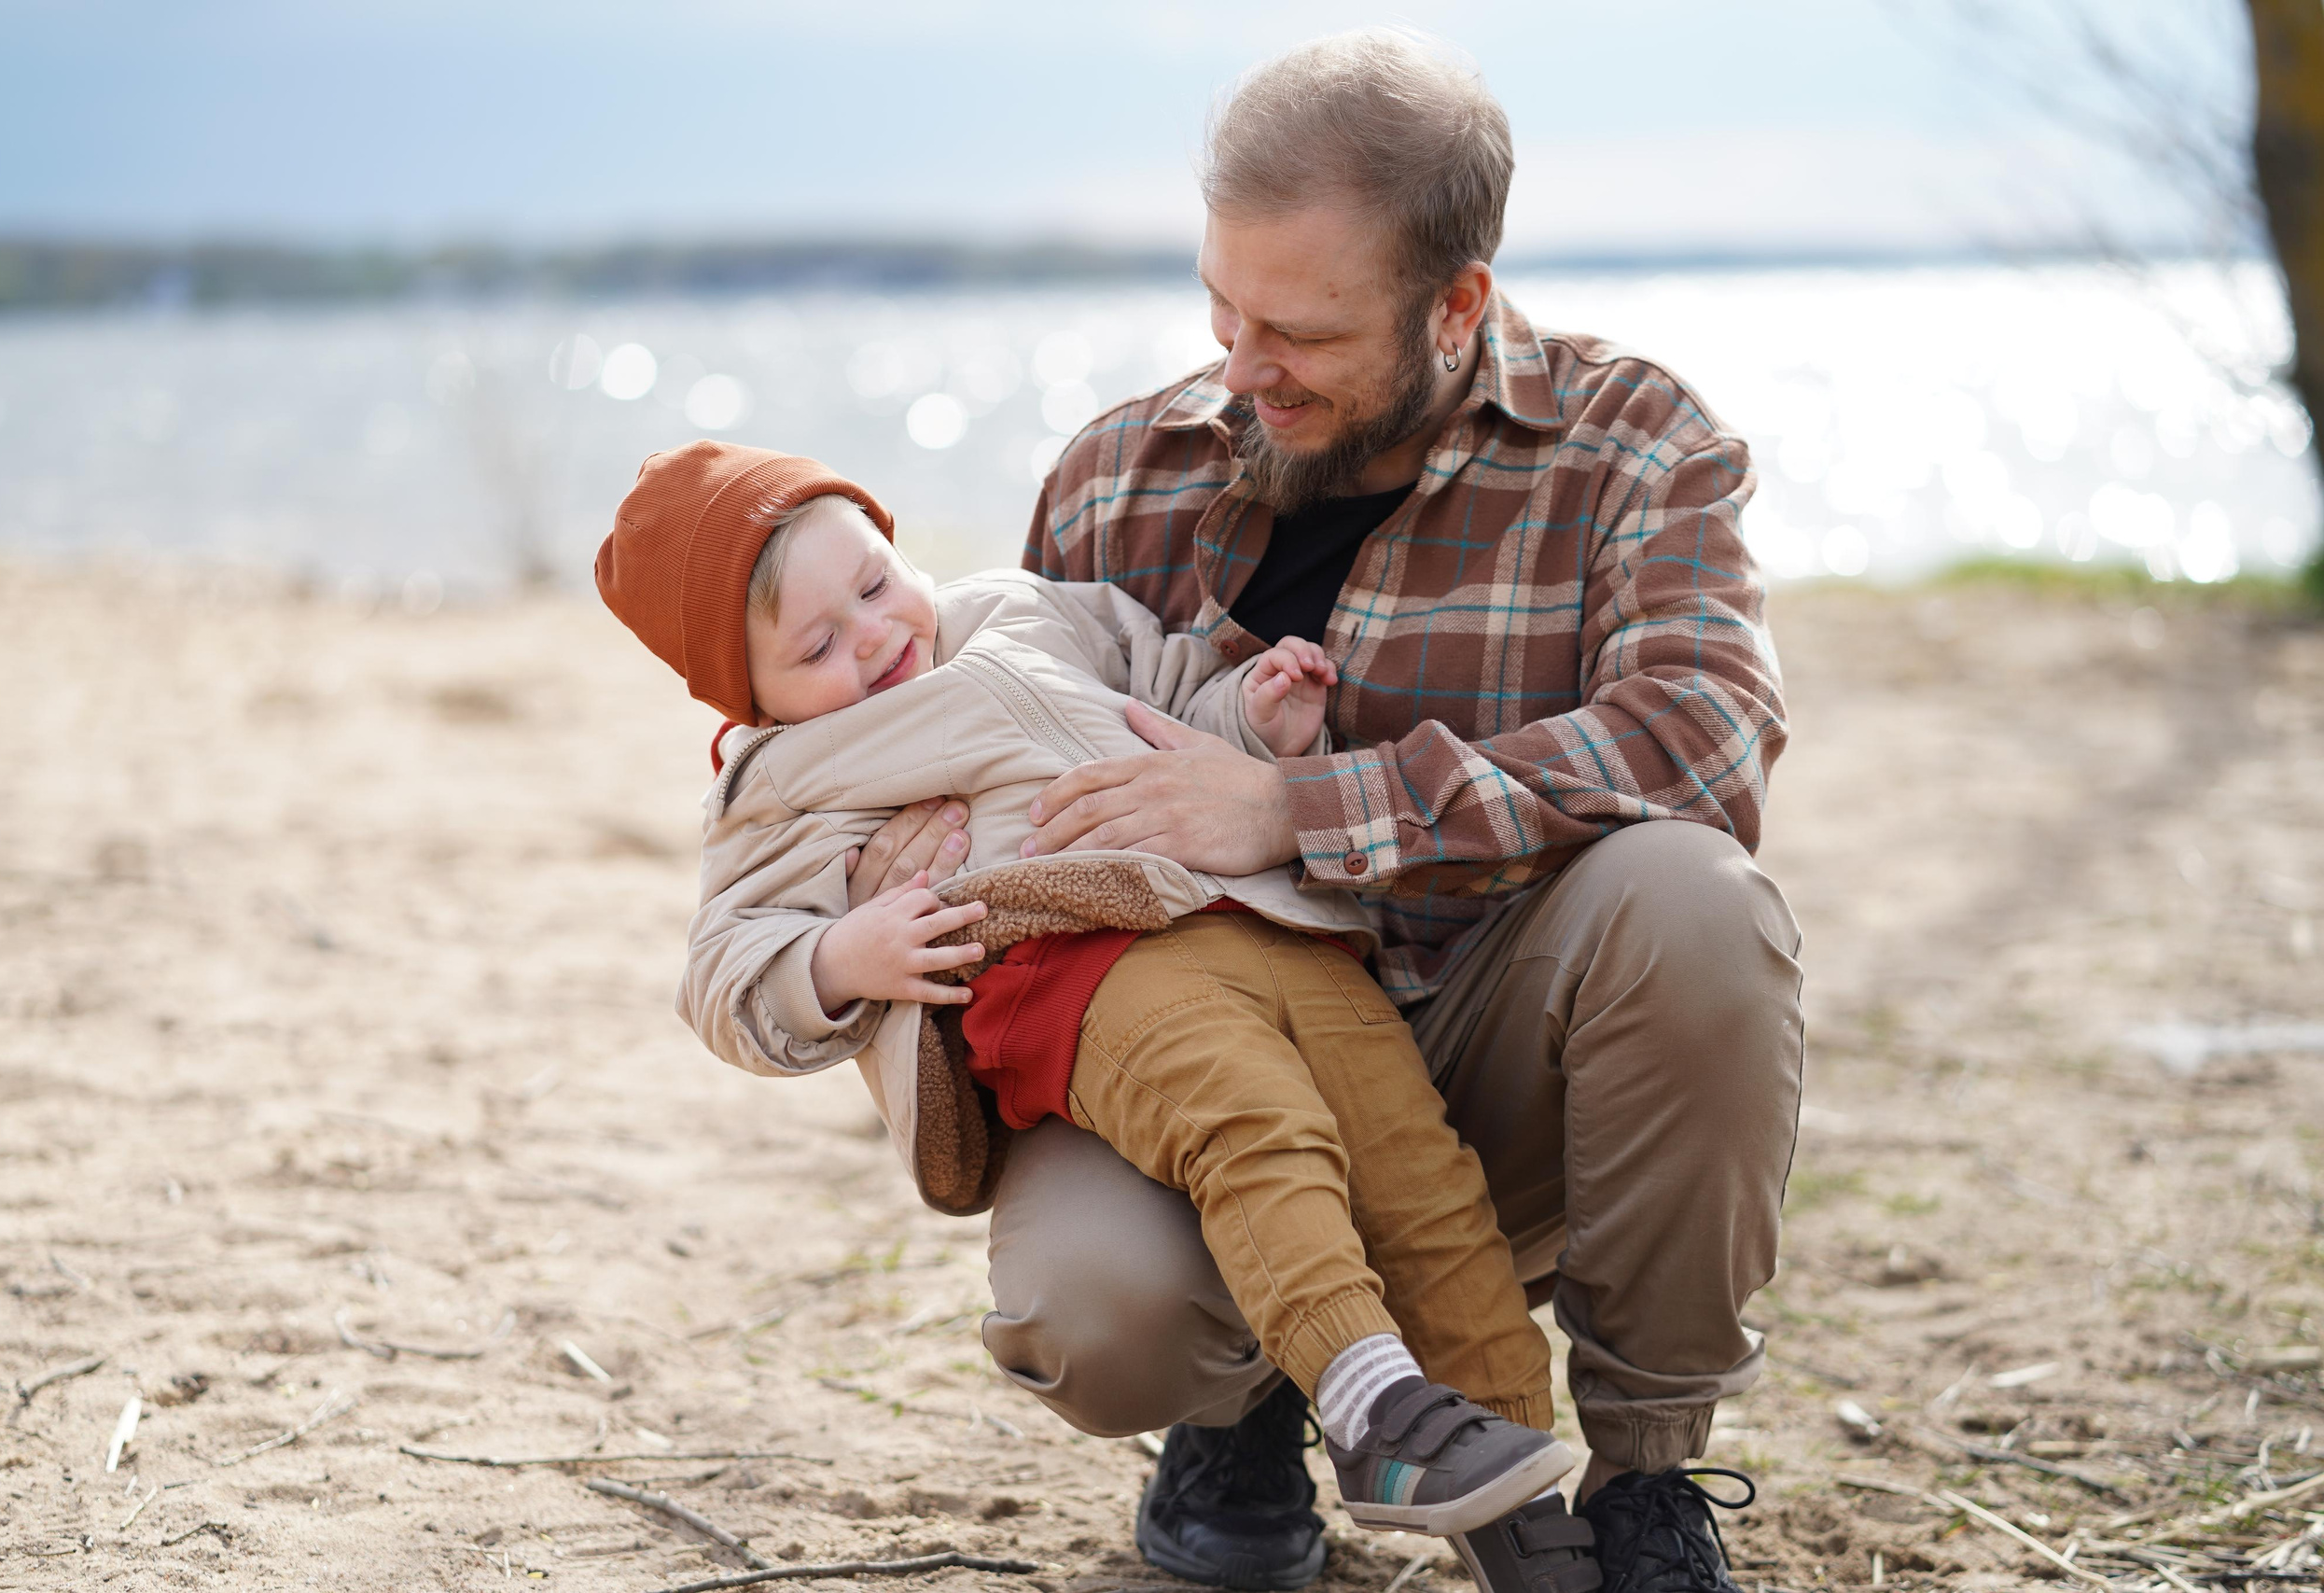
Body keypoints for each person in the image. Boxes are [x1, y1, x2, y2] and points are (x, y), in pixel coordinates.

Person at [842, 28, 1802, 1593]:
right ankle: (1238, 1411)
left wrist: (1298, 804)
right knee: (1092, 1312)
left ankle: (1640, 1482)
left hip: (1494, 1053)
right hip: (1199, 1069)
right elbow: (983, 763)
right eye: (1222, 308)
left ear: (1457, 307)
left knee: (1695, 900)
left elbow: (1704, 741)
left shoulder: (1636, 447)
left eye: (1299, 329)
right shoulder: (1114, 474)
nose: (1241, 365)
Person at [595, 440, 1600, 1593]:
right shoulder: (784, 777)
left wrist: (1254, 719)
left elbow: (1170, 694)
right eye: (815, 646)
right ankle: (1373, 1404)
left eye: (873, 584)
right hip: (1080, 971)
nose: (873, 639)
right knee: (1252, 1119)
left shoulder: (1027, 612)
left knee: (1416, 1167)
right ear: (752, 696)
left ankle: (1526, 1513)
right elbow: (723, 969)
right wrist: (840, 951)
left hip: (1272, 925)